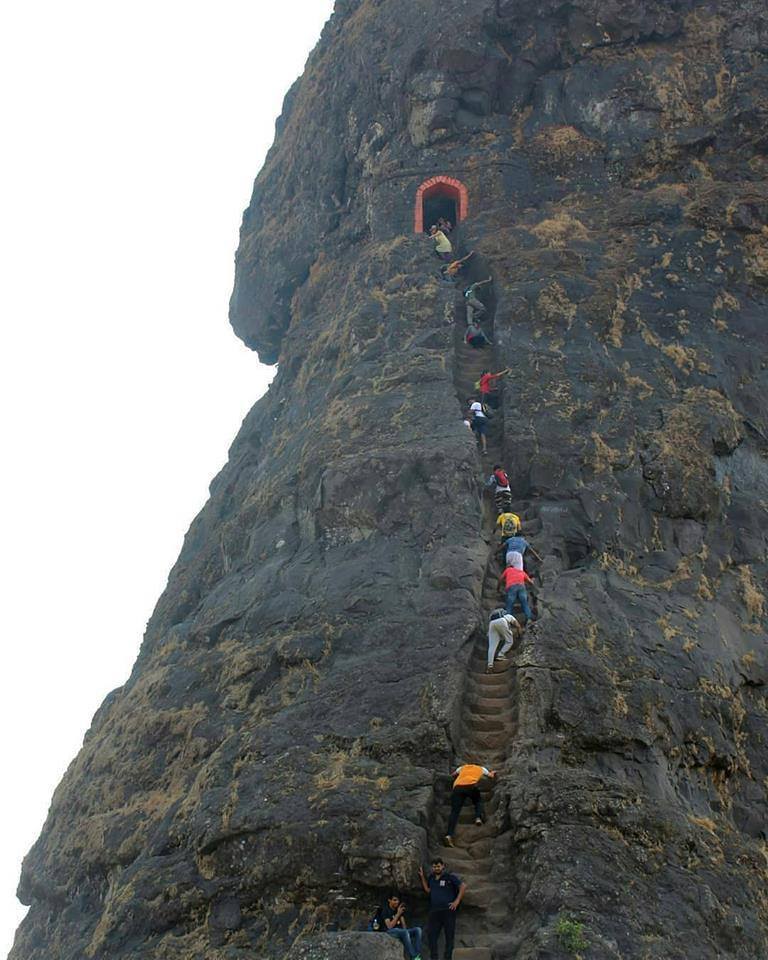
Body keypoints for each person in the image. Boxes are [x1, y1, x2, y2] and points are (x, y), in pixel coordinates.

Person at [418, 859, 466, 960]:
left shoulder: (449, 877)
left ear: (443, 866)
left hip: (448, 911)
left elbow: (463, 886)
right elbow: (428, 890)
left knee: (449, 936)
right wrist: (422, 877)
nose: (436, 868)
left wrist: (456, 901)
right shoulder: (431, 878)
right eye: (434, 867)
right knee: (432, 936)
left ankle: (447, 958)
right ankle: (434, 958)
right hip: (434, 911)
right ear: (432, 867)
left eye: (438, 866)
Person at [444, 764, 497, 844]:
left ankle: (449, 835)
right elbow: (490, 776)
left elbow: (453, 775)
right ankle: (478, 817)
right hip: (471, 786)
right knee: (478, 800)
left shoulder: (462, 768)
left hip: (457, 787)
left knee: (454, 811)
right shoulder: (481, 768)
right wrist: (492, 772)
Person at [372, 893, 422, 960]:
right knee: (404, 932)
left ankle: (418, 955)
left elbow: (404, 928)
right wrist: (398, 914)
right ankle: (413, 956)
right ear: (389, 900)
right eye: (394, 900)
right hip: (389, 931)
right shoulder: (385, 910)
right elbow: (389, 926)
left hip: (400, 931)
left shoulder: (398, 909)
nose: (397, 902)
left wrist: (401, 915)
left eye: (398, 900)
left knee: (418, 930)